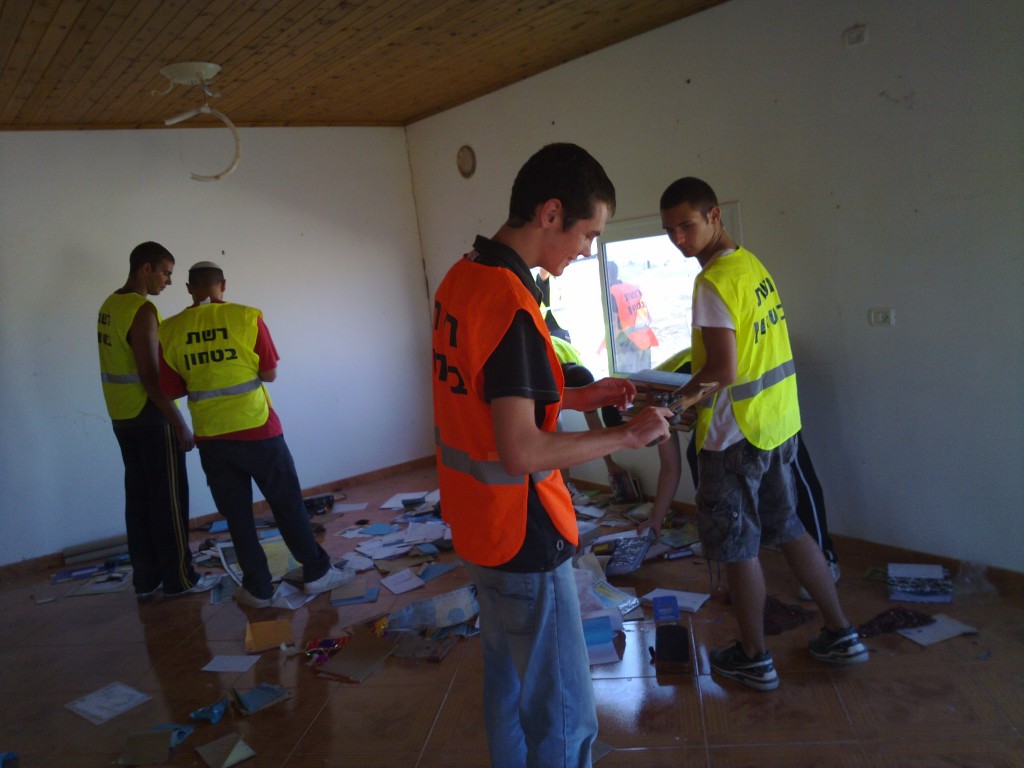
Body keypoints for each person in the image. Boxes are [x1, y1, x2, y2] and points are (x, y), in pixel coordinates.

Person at [431, 143, 672, 767]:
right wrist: (626, 435)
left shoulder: (464, 277)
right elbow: (521, 450)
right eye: (587, 233)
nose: (587, 250)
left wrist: (576, 394)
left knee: (508, 684)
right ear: (551, 213)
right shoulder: (511, 304)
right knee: (564, 714)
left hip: (476, 521)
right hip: (521, 531)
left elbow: (493, 392)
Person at [658, 177, 867, 691]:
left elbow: (723, 370)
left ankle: (754, 657)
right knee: (789, 527)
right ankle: (842, 633)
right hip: (777, 427)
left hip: (734, 438)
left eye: (686, 225)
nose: (679, 240)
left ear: (714, 217)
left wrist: (677, 403)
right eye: (669, 231)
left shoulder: (711, 282)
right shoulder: (752, 266)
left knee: (737, 546)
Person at [157, 261, 348, 608]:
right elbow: (270, 374)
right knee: (287, 504)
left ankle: (258, 588)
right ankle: (317, 573)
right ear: (223, 285)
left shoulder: (169, 329)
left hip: (213, 438)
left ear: (189, 288)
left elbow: (172, 388)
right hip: (259, 430)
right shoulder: (246, 316)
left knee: (238, 516)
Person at [645, 350, 841, 600]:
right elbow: (671, 466)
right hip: (726, 409)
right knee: (700, 458)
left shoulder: (658, 400)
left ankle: (827, 556)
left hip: (770, 401)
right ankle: (720, 534)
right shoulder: (653, 399)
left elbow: (722, 370)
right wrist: (656, 519)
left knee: (797, 475)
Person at [97, 241, 218, 599]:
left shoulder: (110, 305)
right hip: (150, 417)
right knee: (169, 500)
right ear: (145, 268)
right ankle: (181, 579)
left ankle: (146, 580)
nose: (167, 281)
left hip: (122, 416)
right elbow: (151, 377)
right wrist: (179, 422)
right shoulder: (142, 310)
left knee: (139, 500)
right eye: (165, 272)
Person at [606, 260, 658, 372]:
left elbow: (614, 324)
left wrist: (614, 347)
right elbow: (647, 316)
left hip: (628, 343)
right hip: (644, 337)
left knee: (629, 378)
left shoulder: (612, 293)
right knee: (646, 376)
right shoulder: (631, 288)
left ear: (607, 275)